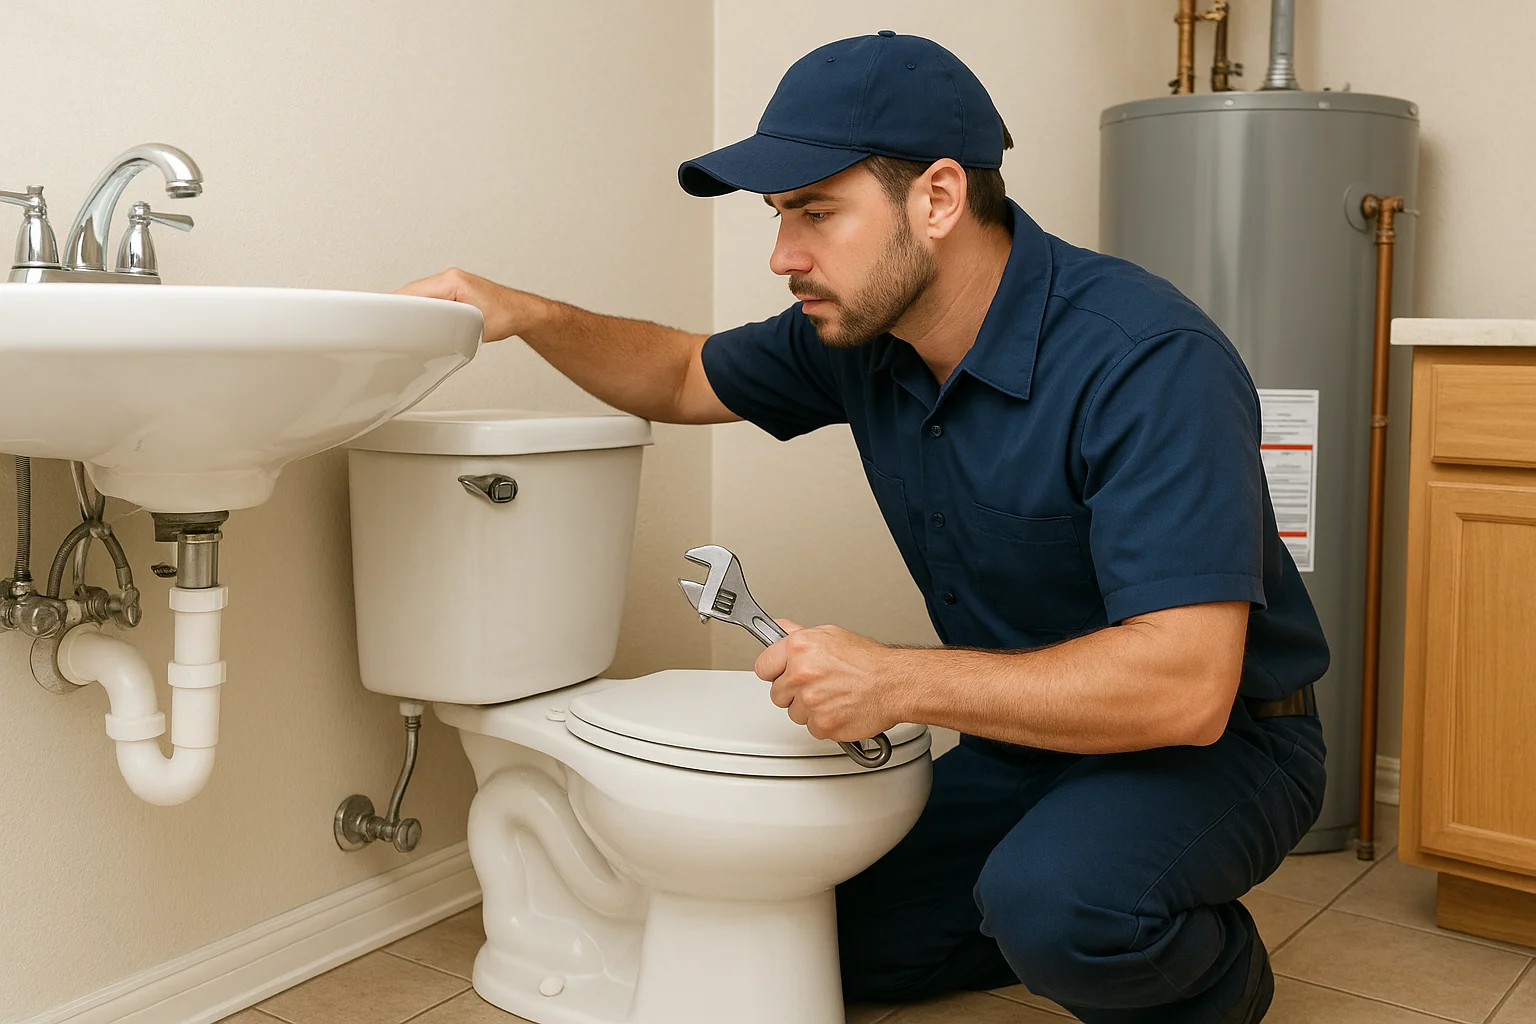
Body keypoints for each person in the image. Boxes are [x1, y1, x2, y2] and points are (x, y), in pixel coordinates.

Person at [399, 30, 1328, 1024]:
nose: (781, 255)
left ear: (936, 200)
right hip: (1032, 740)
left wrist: (894, 679)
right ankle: (1051, 890)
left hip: (1222, 746)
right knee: (824, 928)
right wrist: (526, 313)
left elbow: (1186, 687)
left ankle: (1213, 975)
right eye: (778, 215)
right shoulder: (863, 337)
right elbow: (678, 373)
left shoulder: (1147, 362)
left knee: (1061, 904)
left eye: (815, 213)